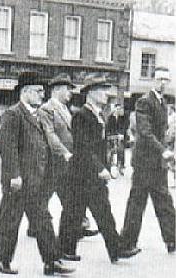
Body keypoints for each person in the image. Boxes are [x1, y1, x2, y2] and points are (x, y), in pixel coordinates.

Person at [0, 71, 73, 276]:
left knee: (43, 221)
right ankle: (2, 260)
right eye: (38, 91)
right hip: (18, 181)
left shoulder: (37, 115)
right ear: (26, 91)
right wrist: (14, 175)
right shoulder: (14, 114)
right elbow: (8, 147)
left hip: (36, 181)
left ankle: (52, 261)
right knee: (10, 221)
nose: (42, 95)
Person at [61, 74, 141, 263]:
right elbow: (83, 147)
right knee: (75, 214)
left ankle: (113, 250)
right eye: (102, 90)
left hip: (90, 175)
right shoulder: (81, 116)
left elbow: (100, 146)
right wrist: (99, 168)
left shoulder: (98, 115)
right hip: (81, 174)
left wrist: (108, 166)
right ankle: (67, 250)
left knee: (94, 212)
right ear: (90, 93)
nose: (106, 94)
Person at [39, 73, 97, 261]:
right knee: (42, 200)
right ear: (56, 90)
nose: (71, 92)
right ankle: (46, 231)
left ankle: (76, 227)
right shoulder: (46, 109)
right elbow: (50, 134)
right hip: (53, 162)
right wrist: (64, 152)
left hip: (67, 164)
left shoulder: (66, 109)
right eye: (67, 89)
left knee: (69, 199)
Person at [121, 66, 176, 254]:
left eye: (165, 80)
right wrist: (164, 151)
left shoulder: (163, 103)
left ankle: (172, 240)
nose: (162, 83)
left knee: (165, 202)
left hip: (157, 163)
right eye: (159, 79)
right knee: (137, 203)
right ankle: (127, 243)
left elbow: (161, 133)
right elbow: (145, 132)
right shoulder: (144, 102)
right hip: (145, 162)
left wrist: (165, 150)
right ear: (153, 80)